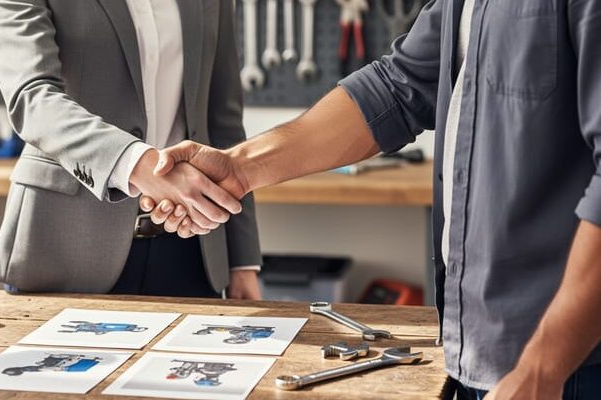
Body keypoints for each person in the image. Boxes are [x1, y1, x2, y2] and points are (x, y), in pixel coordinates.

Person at [142, 0, 601, 398]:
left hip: (569, 367)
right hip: (481, 350)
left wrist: (543, 369)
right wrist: (239, 167)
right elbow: (397, 89)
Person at [0, 0, 262, 299]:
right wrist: (139, 165)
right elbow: (32, 97)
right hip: (67, 242)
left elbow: (223, 120)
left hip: (192, 245)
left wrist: (241, 261)